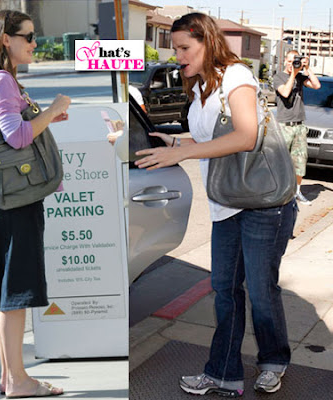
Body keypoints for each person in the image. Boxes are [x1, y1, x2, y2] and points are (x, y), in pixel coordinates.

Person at [135, 13, 297, 397]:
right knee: (224, 291)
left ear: (207, 42)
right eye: (174, 48)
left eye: (184, 48)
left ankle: (274, 360)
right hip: (227, 204)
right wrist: (174, 143)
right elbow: (213, 137)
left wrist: (182, 156)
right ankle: (224, 372)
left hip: (262, 203)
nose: (177, 56)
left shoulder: (236, 76)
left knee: (260, 291)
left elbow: (244, 136)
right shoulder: (202, 87)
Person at [0, 10, 70, 398]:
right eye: (27, 36)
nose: (34, 42)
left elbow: (15, 128)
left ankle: (14, 379)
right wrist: (54, 107)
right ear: (5, 41)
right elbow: (17, 138)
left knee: (11, 292)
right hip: (15, 202)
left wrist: (45, 118)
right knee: (16, 293)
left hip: (5, 198)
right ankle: (18, 382)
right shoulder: (2, 81)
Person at [273, 50, 320, 205]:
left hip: (299, 125)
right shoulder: (279, 77)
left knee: (300, 162)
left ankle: (296, 192)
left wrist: (307, 69)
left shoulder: (300, 76)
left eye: (296, 60)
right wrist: (293, 74)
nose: (292, 64)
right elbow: (285, 93)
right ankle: (278, 192)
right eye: (290, 61)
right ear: (285, 61)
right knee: (280, 161)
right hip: (284, 125)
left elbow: (316, 85)